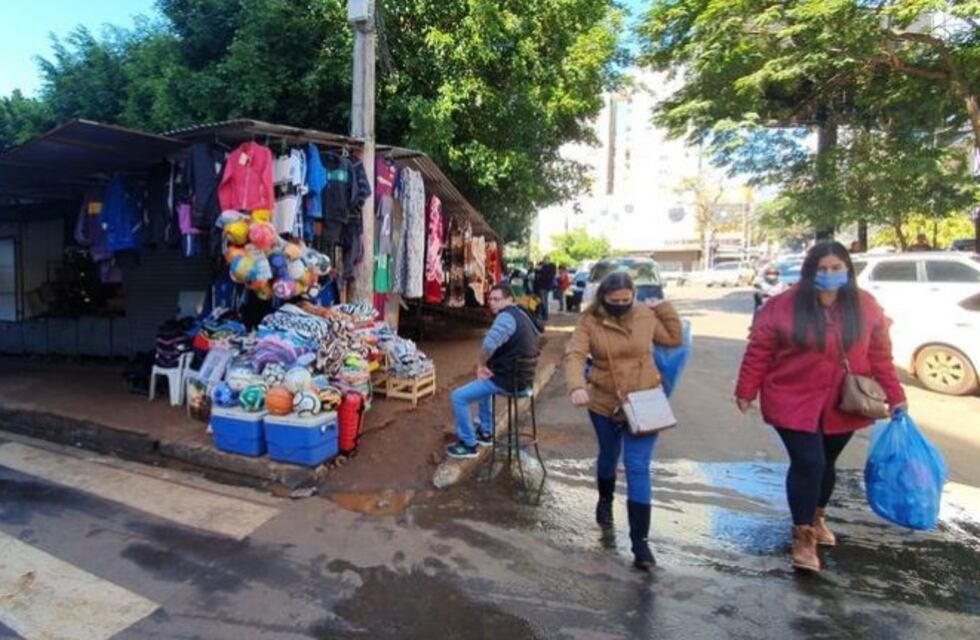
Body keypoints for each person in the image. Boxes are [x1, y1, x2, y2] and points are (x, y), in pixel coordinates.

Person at [735, 241, 907, 573]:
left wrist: (895, 394)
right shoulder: (783, 306)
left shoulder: (866, 306)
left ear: (847, 271)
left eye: (836, 268)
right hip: (792, 398)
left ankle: (817, 518)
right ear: (810, 271)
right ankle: (802, 537)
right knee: (808, 462)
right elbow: (759, 351)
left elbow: (880, 356)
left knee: (827, 463)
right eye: (822, 269)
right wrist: (746, 389)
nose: (829, 275)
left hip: (843, 401)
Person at [564, 272, 683, 571]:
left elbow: (673, 338)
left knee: (638, 467)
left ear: (633, 296)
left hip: (644, 401)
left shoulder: (645, 315)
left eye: (625, 300)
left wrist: (665, 308)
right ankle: (605, 499)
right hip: (604, 401)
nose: (620, 305)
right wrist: (576, 386)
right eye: (614, 301)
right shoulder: (589, 321)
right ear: (603, 297)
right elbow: (575, 354)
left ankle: (640, 543)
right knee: (608, 455)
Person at [446, 284, 542, 459]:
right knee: (484, 381)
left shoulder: (506, 317)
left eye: (497, 299)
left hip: (510, 380)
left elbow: (489, 345)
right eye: (490, 299)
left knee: (458, 397)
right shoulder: (522, 314)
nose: (492, 302)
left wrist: (481, 365)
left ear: (509, 300)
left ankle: (469, 444)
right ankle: (486, 432)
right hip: (523, 379)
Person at [535, 256, 557, 322]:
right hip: (545, 286)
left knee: (543, 301)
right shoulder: (550, 267)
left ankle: (544, 315)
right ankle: (543, 315)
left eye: (545, 260)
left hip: (543, 286)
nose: (544, 261)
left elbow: (545, 275)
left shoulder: (548, 267)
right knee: (543, 301)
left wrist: (540, 270)